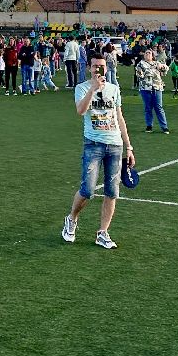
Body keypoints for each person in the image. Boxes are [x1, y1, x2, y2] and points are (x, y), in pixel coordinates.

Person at [60, 55, 135, 250]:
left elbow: (119, 117)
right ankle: (71, 219)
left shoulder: (114, 89)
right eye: (95, 66)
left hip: (115, 145)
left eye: (101, 66)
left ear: (106, 68)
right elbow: (80, 111)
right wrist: (93, 89)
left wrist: (129, 146)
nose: (98, 70)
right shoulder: (82, 88)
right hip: (93, 144)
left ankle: (102, 232)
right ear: (89, 68)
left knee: (112, 192)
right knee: (87, 190)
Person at [134, 48, 168, 133]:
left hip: (157, 87)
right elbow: (139, 75)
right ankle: (149, 126)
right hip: (145, 88)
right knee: (148, 108)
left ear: (152, 55)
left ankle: (164, 127)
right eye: (146, 53)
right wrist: (150, 72)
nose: (148, 54)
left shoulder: (157, 63)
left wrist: (163, 67)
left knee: (159, 107)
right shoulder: (140, 64)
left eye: (149, 53)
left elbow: (165, 71)